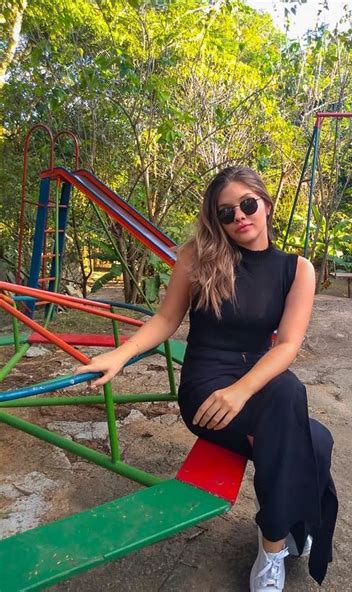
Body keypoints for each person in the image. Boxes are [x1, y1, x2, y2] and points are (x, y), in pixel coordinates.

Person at [74, 166, 338, 591]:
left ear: (266, 204)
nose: (240, 217)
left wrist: (242, 391)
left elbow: (287, 345)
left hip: (254, 380)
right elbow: (165, 319)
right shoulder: (198, 256)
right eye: (226, 213)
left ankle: (273, 536)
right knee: (296, 413)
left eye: (248, 205)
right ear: (217, 220)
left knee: (313, 431)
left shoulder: (297, 270)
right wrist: (119, 357)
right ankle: (280, 539)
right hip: (207, 385)